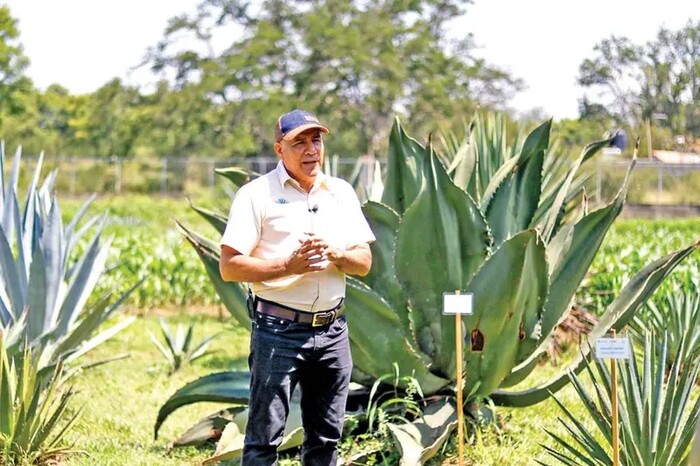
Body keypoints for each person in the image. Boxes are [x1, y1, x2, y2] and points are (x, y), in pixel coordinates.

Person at [219, 109, 375, 466]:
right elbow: (229, 267)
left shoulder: (341, 193)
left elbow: (363, 262)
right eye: (299, 142)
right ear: (279, 149)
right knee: (264, 440)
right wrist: (288, 266)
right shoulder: (255, 195)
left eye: (316, 140)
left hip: (333, 331)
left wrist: (336, 254)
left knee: (326, 440)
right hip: (278, 331)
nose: (311, 150)